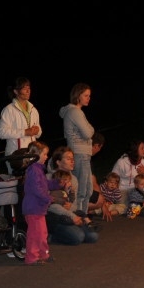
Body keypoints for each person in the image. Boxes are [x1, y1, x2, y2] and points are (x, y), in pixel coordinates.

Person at [45, 146, 99, 245]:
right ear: (58, 162)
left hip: (70, 215)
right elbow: (48, 204)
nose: (72, 161)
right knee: (78, 237)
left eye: (73, 158)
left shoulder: (73, 179)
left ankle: (72, 230)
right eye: (68, 158)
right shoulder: (49, 178)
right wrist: (70, 213)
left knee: (92, 236)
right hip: (56, 217)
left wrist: (72, 209)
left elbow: (75, 202)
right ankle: (50, 237)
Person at [59, 82, 95, 218]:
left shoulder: (76, 112)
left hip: (83, 153)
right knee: (81, 189)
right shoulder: (75, 112)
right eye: (86, 95)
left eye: (89, 96)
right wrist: (90, 129)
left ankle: (83, 216)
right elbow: (88, 132)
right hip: (79, 153)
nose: (88, 98)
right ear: (78, 95)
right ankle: (80, 218)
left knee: (87, 189)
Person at [0, 76, 41, 173]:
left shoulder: (33, 110)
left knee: (32, 181)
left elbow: (39, 133)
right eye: (24, 88)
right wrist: (25, 132)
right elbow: (2, 133)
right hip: (15, 157)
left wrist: (37, 130)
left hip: (32, 155)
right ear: (16, 91)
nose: (28, 91)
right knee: (17, 182)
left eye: (29, 88)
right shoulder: (9, 110)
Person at [21, 140, 54, 266]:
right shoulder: (33, 170)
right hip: (33, 208)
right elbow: (37, 189)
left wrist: (57, 183)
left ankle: (43, 254)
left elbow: (44, 184)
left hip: (38, 208)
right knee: (35, 235)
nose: (47, 157)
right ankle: (31, 257)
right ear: (36, 155)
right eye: (44, 154)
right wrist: (48, 198)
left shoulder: (38, 170)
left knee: (42, 233)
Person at [112, 139, 144, 207]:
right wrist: (115, 190)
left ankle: (143, 197)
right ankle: (139, 205)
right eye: (142, 148)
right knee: (122, 207)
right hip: (123, 188)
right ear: (135, 150)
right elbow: (113, 176)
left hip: (138, 188)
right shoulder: (122, 162)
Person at [87, 132, 106, 217]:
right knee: (99, 200)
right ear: (96, 146)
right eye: (100, 147)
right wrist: (103, 204)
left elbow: (93, 182)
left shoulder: (87, 159)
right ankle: (80, 212)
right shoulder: (84, 159)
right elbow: (93, 184)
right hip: (73, 190)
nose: (99, 150)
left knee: (98, 198)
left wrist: (103, 205)